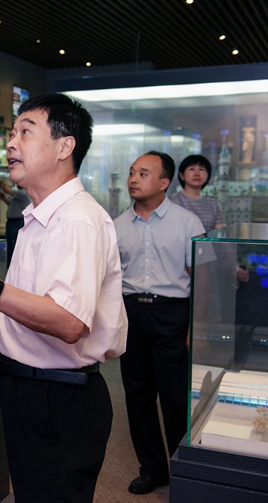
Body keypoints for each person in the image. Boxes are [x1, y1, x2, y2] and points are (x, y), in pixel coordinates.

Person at [0, 93, 127, 503]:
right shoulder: (39, 217)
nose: (11, 144)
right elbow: (47, 301)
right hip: (32, 390)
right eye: (11, 134)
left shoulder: (76, 219)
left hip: (57, 398)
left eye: (26, 132)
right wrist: (3, 315)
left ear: (64, 146)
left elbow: (69, 323)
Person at [114, 151, 204, 495]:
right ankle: (152, 470)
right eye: (132, 172)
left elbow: (202, 281)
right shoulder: (117, 226)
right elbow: (110, 280)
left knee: (175, 399)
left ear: (165, 182)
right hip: (132, 313)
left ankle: (185, 474)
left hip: (172, 315)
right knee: (138, 397)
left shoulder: (187, 222)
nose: (133, 179)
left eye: (143, 173)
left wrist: (195, 328)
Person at [169, 154, 224, 232]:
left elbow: (221, 231)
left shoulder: (212, 204)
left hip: (208, 240)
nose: (197, 174)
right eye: (192, 169)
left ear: (207, 176)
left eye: (201, 169)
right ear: (181, 175)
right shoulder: (173, 201)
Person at [0, 179, 30, 267]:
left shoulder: (24, 193)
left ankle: (14, 267)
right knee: (9, 247)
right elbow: (13, 206)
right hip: (12, 222)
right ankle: (9, 267)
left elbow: (5, 189)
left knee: (14, 247)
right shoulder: (19, 194)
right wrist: (4, 199)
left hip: (18, 222)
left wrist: (2, 182)